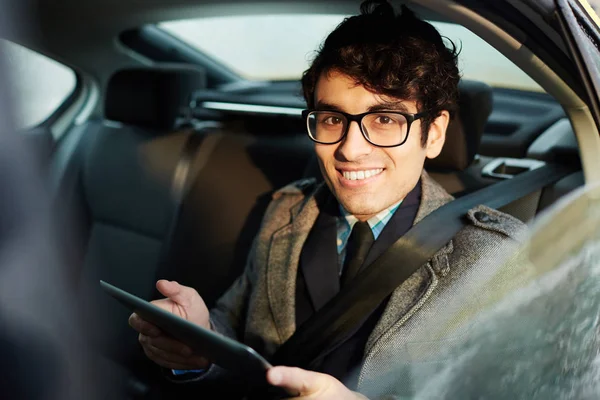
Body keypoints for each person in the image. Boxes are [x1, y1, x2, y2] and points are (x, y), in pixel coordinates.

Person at [129, 1, 526, 398]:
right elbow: (235, 326)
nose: (350, 150)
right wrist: (201, 344)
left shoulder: (496, 259)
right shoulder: (285, 211)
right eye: (333, 119)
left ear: (434, 133)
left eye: (385, 120)